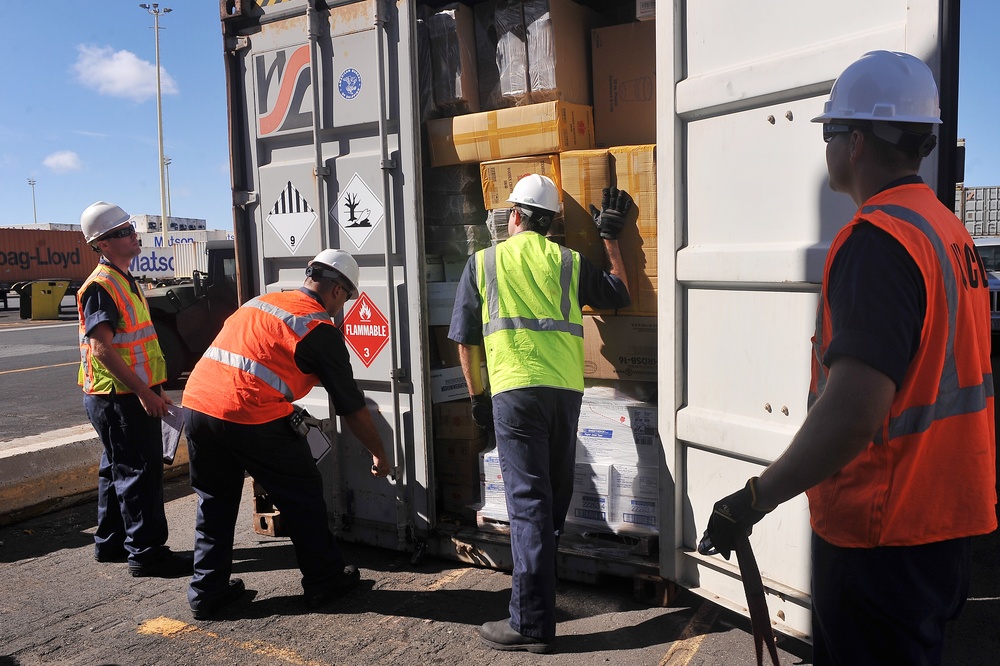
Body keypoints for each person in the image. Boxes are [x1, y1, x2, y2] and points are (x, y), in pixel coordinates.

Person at [701, 51, 997, 665]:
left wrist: (756, 497)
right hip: (941, 528)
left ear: (855, 142)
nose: (828, 147)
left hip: (884, 536)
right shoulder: (947, 230)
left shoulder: (878, 242)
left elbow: (856, 410)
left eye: (831, 132)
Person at [448, 174, 633, 653]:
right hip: (565, 394)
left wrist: (476, 399)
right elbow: (620, 292)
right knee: (549, 503)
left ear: (514, 216)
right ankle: (537, 608)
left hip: (514, 392)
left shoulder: (483, 262)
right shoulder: (569, 262)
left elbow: (466, 340)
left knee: (529, 505)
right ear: (550, 224)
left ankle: (531, 624)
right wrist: (610, 238)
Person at [181, 248, 391, 620]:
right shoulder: (318, 328)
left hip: (197, 405)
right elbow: (352, 408)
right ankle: (325, 581)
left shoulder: (262, 301)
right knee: (302, 495)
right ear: (338, 292)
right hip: (246, 412)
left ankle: (207, 592)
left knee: (214, 500)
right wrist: (379, 453)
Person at [77, 201, 192, 578]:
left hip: (120, 396)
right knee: (140, 472)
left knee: (116, 468)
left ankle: (111, 542)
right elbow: (102, 348)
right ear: (103, 244)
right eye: (123, 232)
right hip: (120, 398)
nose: (132, 235)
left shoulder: (124, 278)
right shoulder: (101, 286)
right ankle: (147, 553)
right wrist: (145, 393)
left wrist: (155, 387)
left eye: (130, 228)